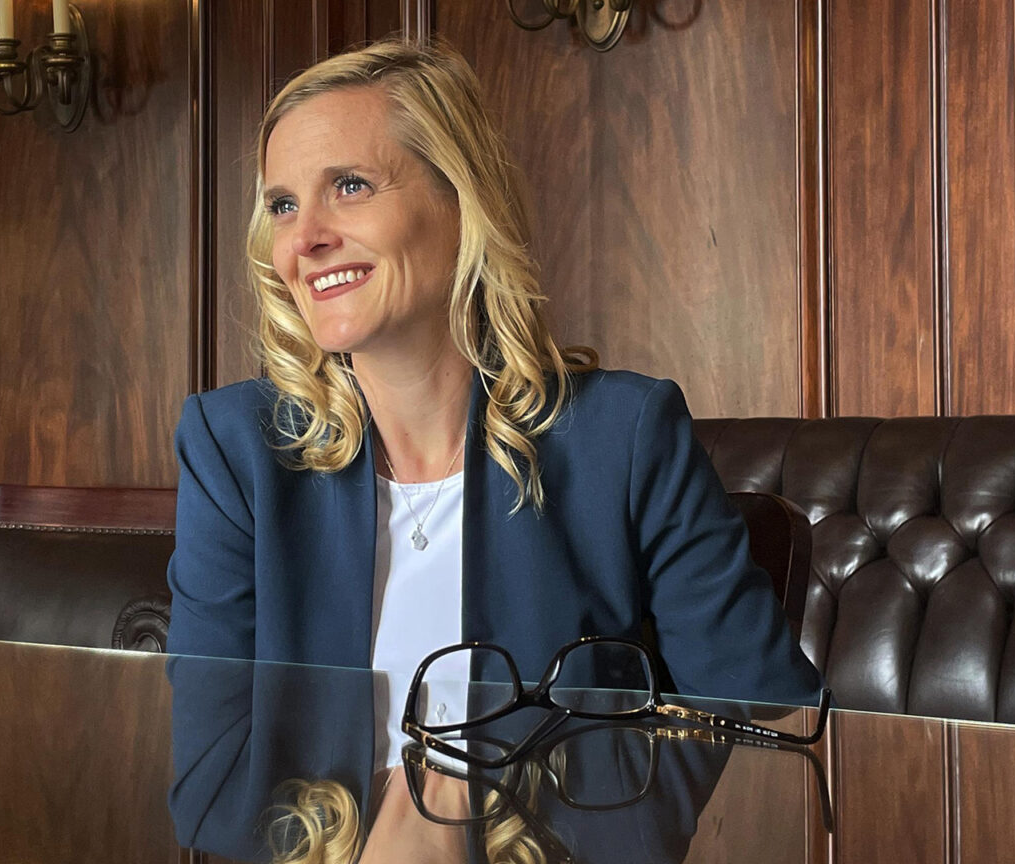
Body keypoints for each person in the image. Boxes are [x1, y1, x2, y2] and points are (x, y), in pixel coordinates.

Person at [166, 34, 824, 858]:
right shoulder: (236, 452)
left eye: (351, 186)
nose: (304, 240)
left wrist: (475, 806)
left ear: (461, 203)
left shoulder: (623, 435)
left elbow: (759, 725)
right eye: (284, 205)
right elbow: (211, 788)